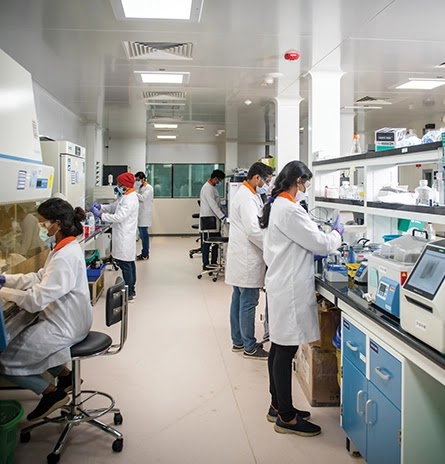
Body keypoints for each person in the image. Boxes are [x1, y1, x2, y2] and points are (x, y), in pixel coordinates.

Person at [259, 160, 344, 437]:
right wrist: (336, 234)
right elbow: (319, 243)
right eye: (305, 183)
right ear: (298, 181)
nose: (306, 188)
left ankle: (277, 405)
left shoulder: (278, 205)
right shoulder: (289, 210)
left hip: (281, 282)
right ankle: (287, 417)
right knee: (285, 351)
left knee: (279, 348)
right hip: (289, 287)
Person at [0, 198, 92, 422]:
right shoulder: (64, 247)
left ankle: (51, 393)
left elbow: (35, 300)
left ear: (57, 223)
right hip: (68, 319)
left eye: (43, 223)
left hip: (65, 326)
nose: (41, 227)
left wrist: (2, 293)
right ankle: (66, 376)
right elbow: (39, 278)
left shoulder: (65, 256)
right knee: (27, 343)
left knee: (4, 361)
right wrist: (5, 280)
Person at [225, 162, 273, 360]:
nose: (266, 185)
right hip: (246, 257)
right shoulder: (246, 198)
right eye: (266, 181)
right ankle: (250, 347)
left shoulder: (248, 194)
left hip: (241, 255)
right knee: (248, 302)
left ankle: (238, 341)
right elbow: (254, 230)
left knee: (238, 298)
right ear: (256, 178)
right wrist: (272, 246)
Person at [91, 172, 139, 302]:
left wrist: (100, 216)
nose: (118, 186)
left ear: (126, 185)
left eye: (119, 184)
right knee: (128, 264)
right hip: (123, 235)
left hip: (125, 236)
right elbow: (113, 207)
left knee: (126, 265)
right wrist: (101, 207)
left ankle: (130, 292)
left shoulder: (130, 200)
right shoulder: (125, 196)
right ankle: (131, 289)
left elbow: (119, 217)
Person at [199, 169, 226, 270]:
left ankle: (214, 263)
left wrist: (222, 211)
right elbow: (213, 204)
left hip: (213, 220)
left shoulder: (212, 187)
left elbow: (217, 202)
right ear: (215, 178)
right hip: (208, 221)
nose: (219, 183)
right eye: (218, 181)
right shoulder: (207, 188)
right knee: (207, 243)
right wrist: (222, 216)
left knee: (215, 244)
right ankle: (206, 264)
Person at [134, 171, 154, 260]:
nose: (137, 181)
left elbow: (142, 198)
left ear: (142, 179)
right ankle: (144, 253)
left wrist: (133, 192)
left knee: (144, 235)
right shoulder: (141, 187)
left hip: (145, 214)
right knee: (142, 235)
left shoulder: (149, 188)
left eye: (138, 180)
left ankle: (145, 254)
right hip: (140, 214)